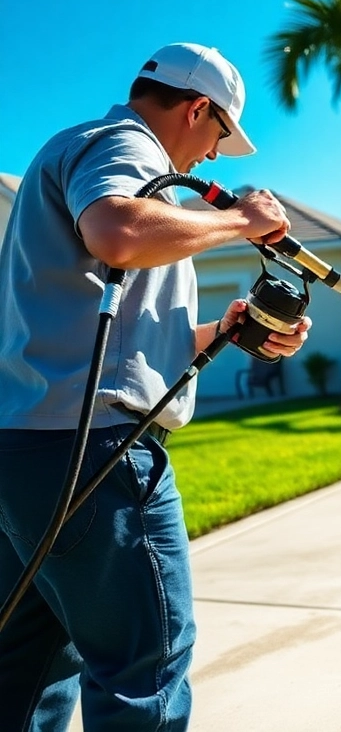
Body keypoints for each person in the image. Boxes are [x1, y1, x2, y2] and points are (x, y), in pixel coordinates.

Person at [0, 43, 311, 730]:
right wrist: (240, 222)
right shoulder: (126, 148)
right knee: (144, 671)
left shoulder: (76, 151)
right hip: (98, 458)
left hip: (23, 455)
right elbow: (116, 231)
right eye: (217, 141)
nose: (208, 161)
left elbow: (115, 331)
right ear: (199, 109)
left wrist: (224, 330)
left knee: (28, 670)